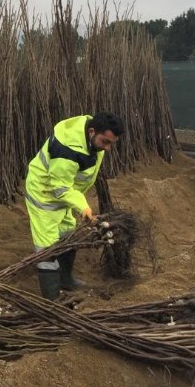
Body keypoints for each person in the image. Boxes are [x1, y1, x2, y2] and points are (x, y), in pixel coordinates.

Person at [24, 112, 125, 301]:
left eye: (111, 143)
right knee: (47, 247)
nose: (108, 148)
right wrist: (83, 207)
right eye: (105, 142)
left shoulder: (90, 133)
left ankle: (65, 279)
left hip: (65, 194)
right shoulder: (67, 150)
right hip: (44, 194)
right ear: (92, 132)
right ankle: (52, 297)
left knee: (68, 233)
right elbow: (59, 188)